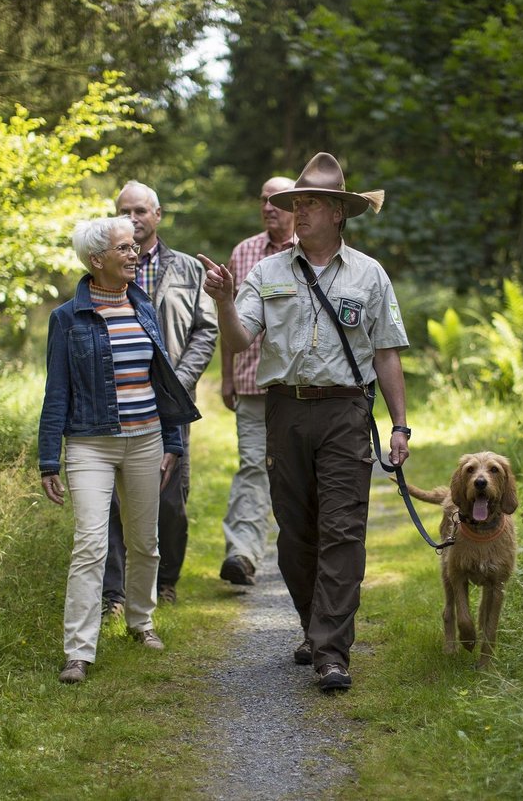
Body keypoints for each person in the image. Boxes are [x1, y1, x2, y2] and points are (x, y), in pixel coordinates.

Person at [198, 152, 411, 692]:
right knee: (296, 533)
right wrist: (224, 301)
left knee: (343, 529)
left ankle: (333, 652)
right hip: (285, 409)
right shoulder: (268, 271)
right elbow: (241, 338)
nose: (299, 212)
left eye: (311, 203)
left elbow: (386, 352)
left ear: (339, 212)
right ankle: (314, 626)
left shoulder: (369, 273)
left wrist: (400, 426)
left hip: (345, 410)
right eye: (296, 203)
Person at [38, 215, 200, 684]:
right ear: (97, 260)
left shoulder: (142, 306)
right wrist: (49, 458)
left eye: (134, 248)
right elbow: (57, 393)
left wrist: (173, 442)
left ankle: (140, 621)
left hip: (147, 439)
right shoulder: (66, 319)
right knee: (90, 544)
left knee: (144, 541)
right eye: (124, 249)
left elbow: (162, 379)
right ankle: (79, 651)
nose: (134, 255)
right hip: (89, 445)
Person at [102, 181, 218, 615]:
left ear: (157, 215)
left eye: (139, 210)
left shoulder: (188, 269)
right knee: (114, 499)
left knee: (170, 497)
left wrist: (180, 380)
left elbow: (206, 330)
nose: (132, 218)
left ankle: (165, 581)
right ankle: (114, 593)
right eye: (123, 212)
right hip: (117, 398)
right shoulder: (106, 266)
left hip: (170, 400)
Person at [218, 175, 296, 587]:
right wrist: (226, 378)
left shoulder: (311, 251)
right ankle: (243, 554)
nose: (268, 208)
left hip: (296, 389)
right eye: (263, 200)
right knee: (252, 466)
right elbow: (226, 317)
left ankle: (298, 553)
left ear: (297, 206)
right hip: (250, 386)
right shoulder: (244, 252)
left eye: (277, 201)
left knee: (293, 472)